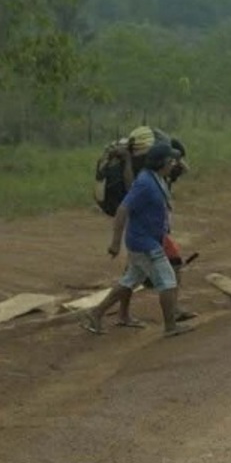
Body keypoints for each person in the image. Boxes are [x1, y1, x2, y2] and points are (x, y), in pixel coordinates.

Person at [82, 141, 189, 337]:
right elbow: (123, 209)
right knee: (167, 281)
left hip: (145, 240)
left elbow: (134, 190)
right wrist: (115, 242)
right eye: (170, 161)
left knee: (129, 281)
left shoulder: (153, 178)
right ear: (162, 162)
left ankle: (95, 313)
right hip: (144, 243)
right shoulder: (147, 182)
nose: (173, 164)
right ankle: (170, 326)